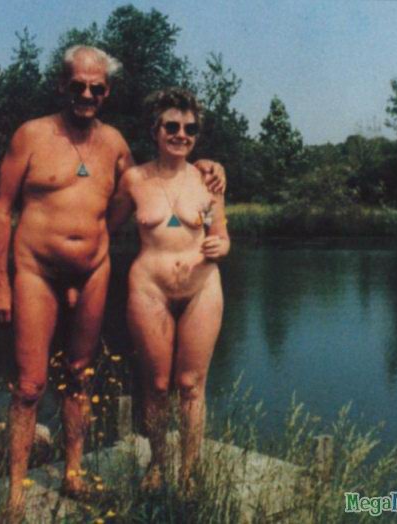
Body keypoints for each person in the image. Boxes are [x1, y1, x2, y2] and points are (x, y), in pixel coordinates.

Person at [0, 46, 224, 520]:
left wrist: (208, 166)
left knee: (80, 372)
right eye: (78, 85)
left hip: (93, 271)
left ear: (107, 92)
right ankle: (14, 497)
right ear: (63, 85)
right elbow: (1, 208)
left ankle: (74, 475)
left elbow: (157, 180)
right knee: (30, 385)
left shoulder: (115, 144)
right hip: (35, 269)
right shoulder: (31, 135)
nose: (87, 94)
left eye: (96, 88)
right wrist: (0, 281)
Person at [108, 88, 230, 492]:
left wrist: (221, 246)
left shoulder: (209, 180)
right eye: (172, 126)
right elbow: (103, 229)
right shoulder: (133, 180)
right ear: (155, 130)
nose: (181, 135)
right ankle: (158, 464)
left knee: (191, 385)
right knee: (157, 385)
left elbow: (221, 234)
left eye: (190, 129)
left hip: (202, 288)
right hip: (150, 290)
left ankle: (189, 472)